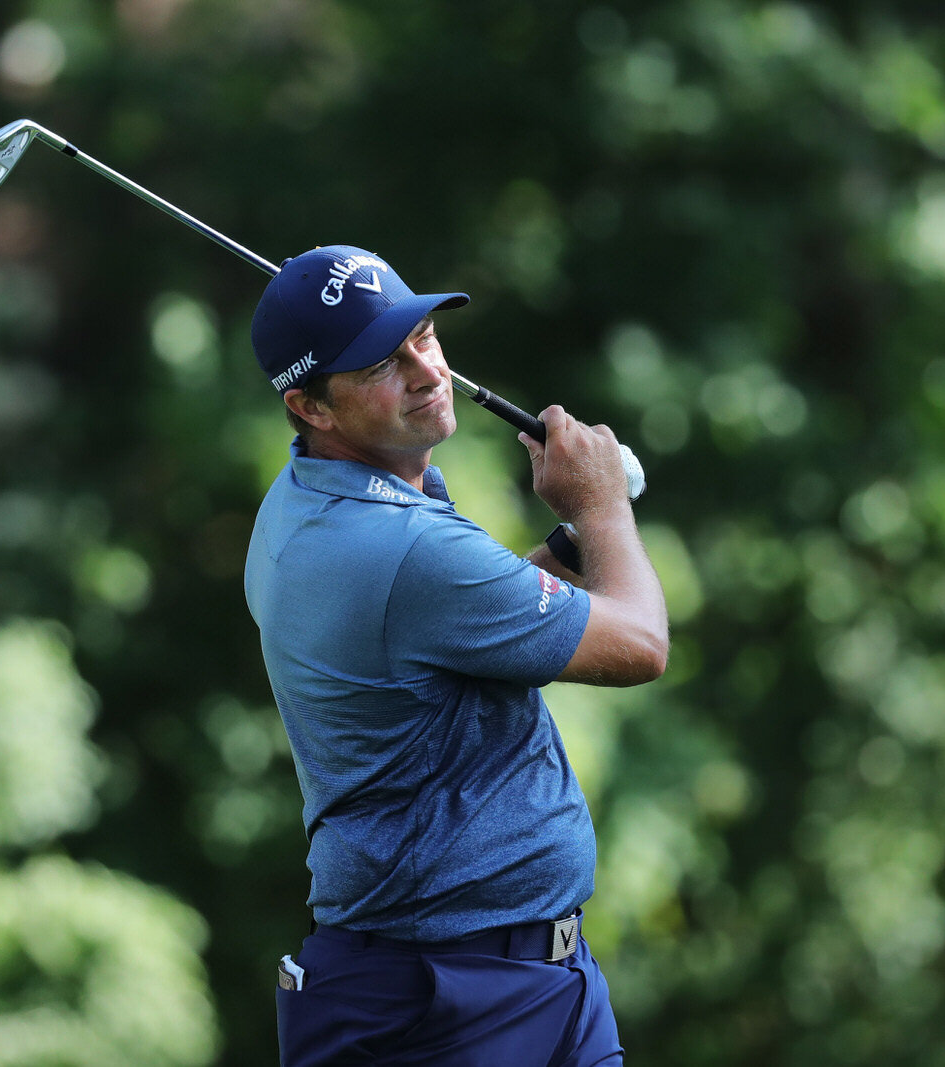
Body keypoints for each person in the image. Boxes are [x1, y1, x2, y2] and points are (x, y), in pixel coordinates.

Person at [244, 244, 669, 1066]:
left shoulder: (305, 502)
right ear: (313, 407)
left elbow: (470, 622)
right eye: (380, 364)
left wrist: (575, 539)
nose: (425, 371)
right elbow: (640, 645)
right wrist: (604, 507)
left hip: (545, 983)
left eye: (424, 337)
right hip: (435, 1004)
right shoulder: (397, 547)